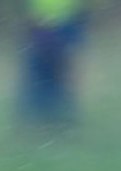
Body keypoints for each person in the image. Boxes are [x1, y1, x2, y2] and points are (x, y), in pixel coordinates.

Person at [19, 0, 86, 128]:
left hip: (60, 23)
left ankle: (53, 120)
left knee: (53, 76)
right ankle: (49, 120)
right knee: (48, 76)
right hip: (47, 23)